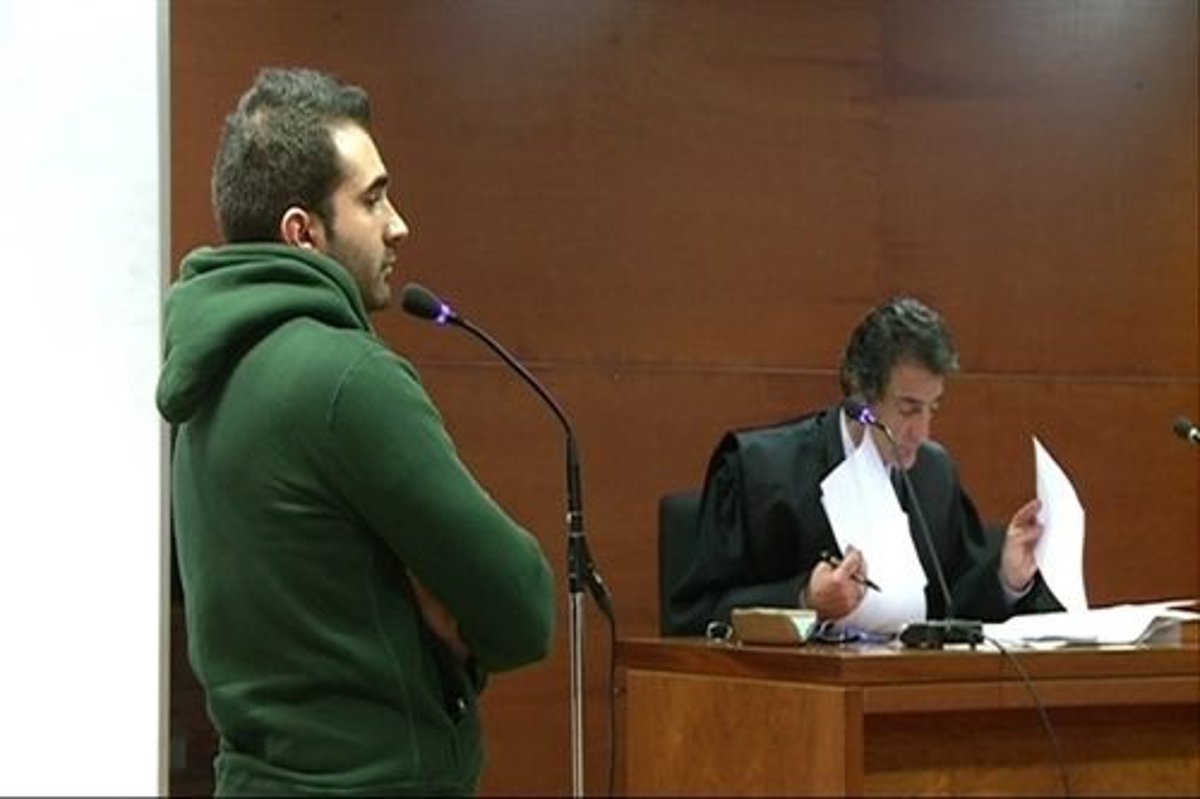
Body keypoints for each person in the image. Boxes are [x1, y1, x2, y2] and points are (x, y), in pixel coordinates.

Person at [156, 67, 555, 795]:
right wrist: (435, 612)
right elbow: (523, 607)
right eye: (371, 199)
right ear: (303, 232)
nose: (398, 224)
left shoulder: (206, 377)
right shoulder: (346, 380)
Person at [666, 296, 1061, 636]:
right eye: (908, 409)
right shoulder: (761, 470)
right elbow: (695, 617)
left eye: (932, 408)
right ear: (861, 398)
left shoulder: (934, 476)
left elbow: (952, 610)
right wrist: (803, 600)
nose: (922, 432)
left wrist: (1006, 577)